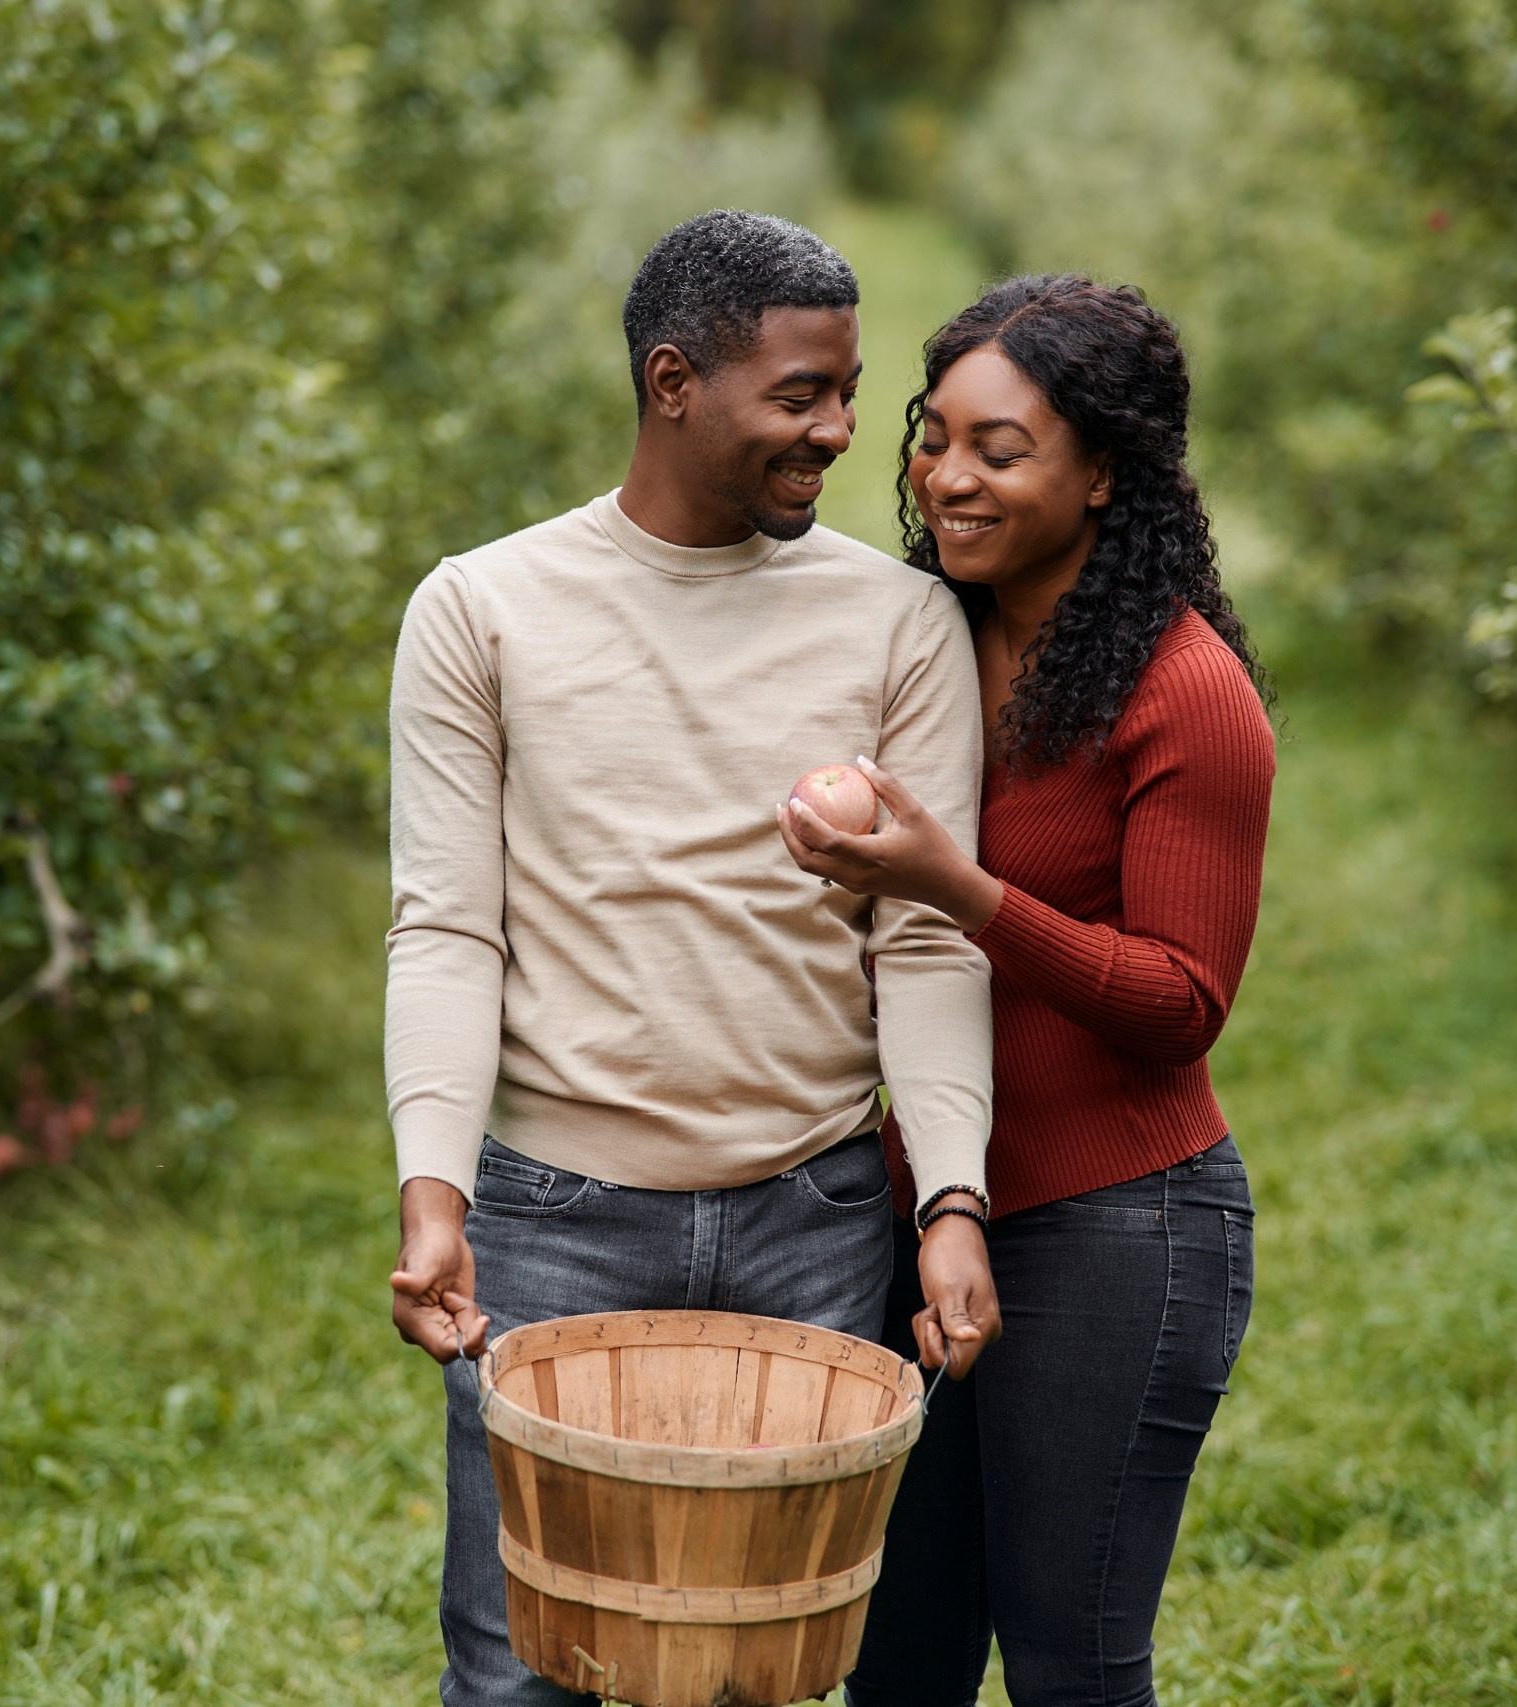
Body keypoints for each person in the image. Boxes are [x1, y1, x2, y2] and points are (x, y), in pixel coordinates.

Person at [384, 210, 1005, 1707]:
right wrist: (433, 1194)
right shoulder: (484, 610)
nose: (844, 433)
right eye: (801, 396)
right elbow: (449, 928)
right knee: (523, 1667)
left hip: (815, 1219)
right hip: (551, 1225)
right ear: (674, 382)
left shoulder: (901, 622)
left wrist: (953, 1201)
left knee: (754, 1672)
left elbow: (923, 941)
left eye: (849, 393)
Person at [779, 275, 1275, 1707]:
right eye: (934, 438)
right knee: (897, 1661)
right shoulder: (927, 640)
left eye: (1001, 452)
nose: (947, 478)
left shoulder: (1186, 695)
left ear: (1106, 474)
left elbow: (1181, 1002)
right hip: (920, 1202)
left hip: (1118, 1225)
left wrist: (956, 885)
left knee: (1072, 1668)